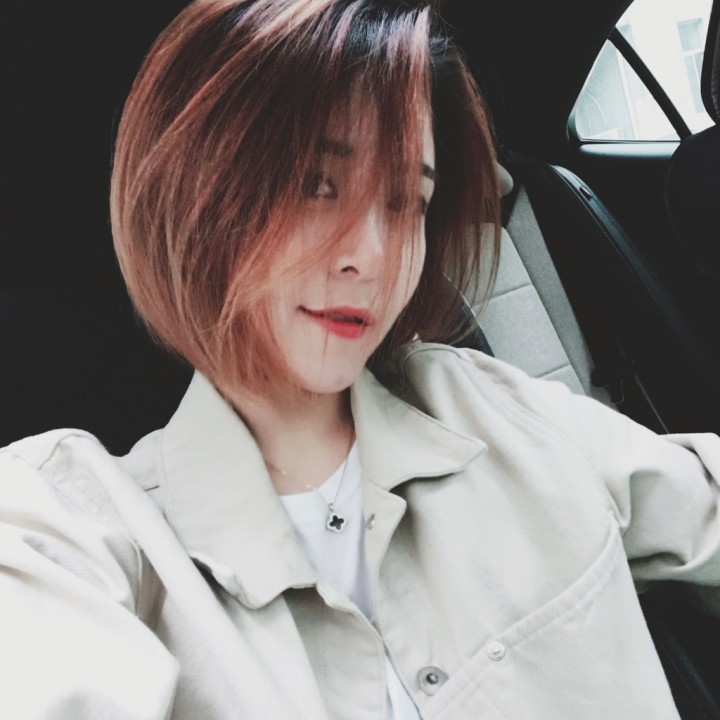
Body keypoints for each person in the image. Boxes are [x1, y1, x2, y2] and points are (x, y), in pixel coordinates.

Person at [2, 1, 720, 718]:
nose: (372, 257)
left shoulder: (485, 404)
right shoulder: (77, 523)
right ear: (195, 194)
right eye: (317, 184)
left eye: (407, 201)